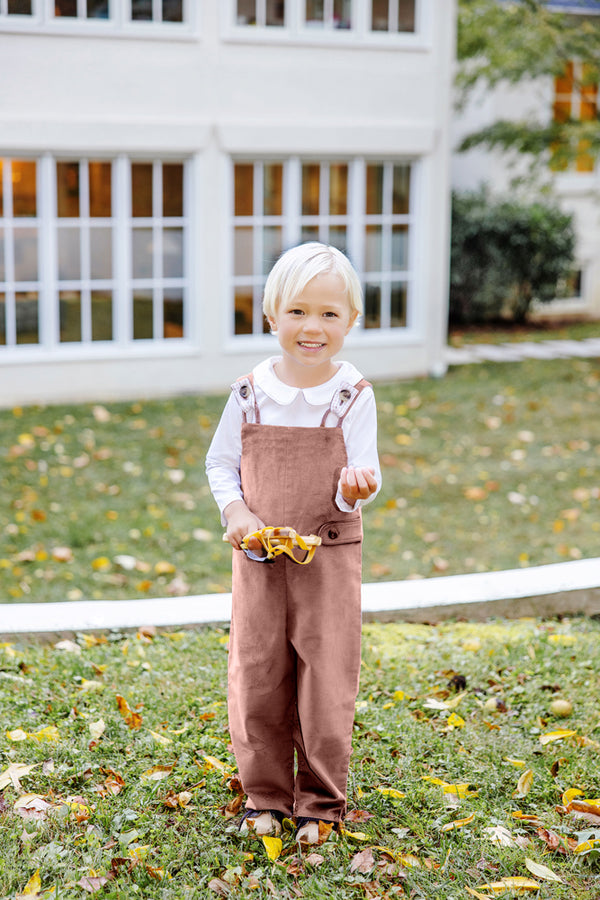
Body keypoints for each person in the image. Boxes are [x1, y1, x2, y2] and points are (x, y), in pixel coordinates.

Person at [206, 242, 381, 845]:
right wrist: (235, 511)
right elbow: (220, 463)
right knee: (257, 671)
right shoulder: (249, 393)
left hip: (326, 557)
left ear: (351, 322)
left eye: (330, 314)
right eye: (299, 311)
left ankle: (321, 800)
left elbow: (364, 472)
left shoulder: (352, 394)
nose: (314, 327)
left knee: (326, 675)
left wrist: (359, 486)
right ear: (271, 315)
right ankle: (266, 795)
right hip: (258, 556)